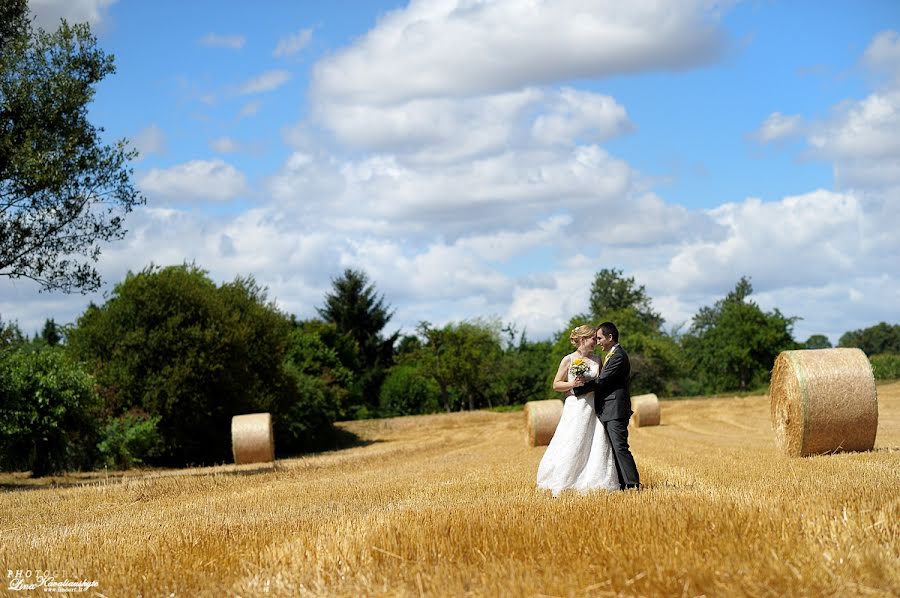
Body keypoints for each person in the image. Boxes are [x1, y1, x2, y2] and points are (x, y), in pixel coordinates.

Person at [536, 324, 619, 496]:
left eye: (597, 339)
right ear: (582, 340)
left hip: (593, 406)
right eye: (592, 339)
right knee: (572, 440)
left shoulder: (597, 360)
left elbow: (601, 383)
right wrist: (572, 384)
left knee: (594, 442)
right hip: (575, 406)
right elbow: (556, 384)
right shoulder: (568, 359)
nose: (595, 342)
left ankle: (592, 480)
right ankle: (564, 480)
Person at [572, 322, 641, 490]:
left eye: (600, 338)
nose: (598, 341)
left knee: (620, 447)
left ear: (610, 338)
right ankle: (624, 484)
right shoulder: (611, 354)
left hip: (616, 409)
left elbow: (603, 380)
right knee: (615, 448)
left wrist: (579, 390)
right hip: (609, 409)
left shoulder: (618, 356)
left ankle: (633, 485)